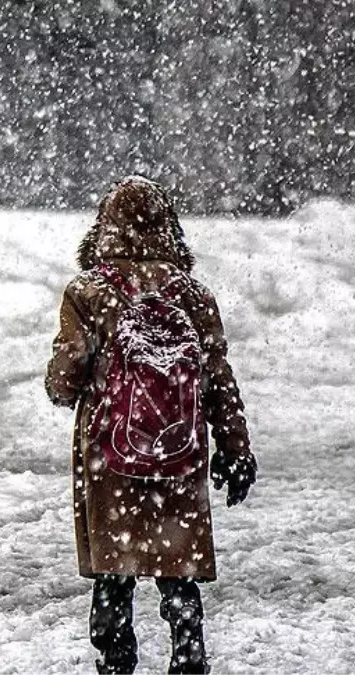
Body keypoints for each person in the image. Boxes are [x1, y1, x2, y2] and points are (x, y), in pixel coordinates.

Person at [45, 176, 256, 675]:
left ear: (104, 228)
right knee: (174, 564)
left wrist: (66, 384)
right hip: (178, 456)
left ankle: (115, 657)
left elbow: (65, 378)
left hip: (110, 453)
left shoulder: (88, 293)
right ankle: (188, 652)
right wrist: (235, 447)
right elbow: (218, 379)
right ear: (169, 228)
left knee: (114, 569)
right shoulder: (193, 295)